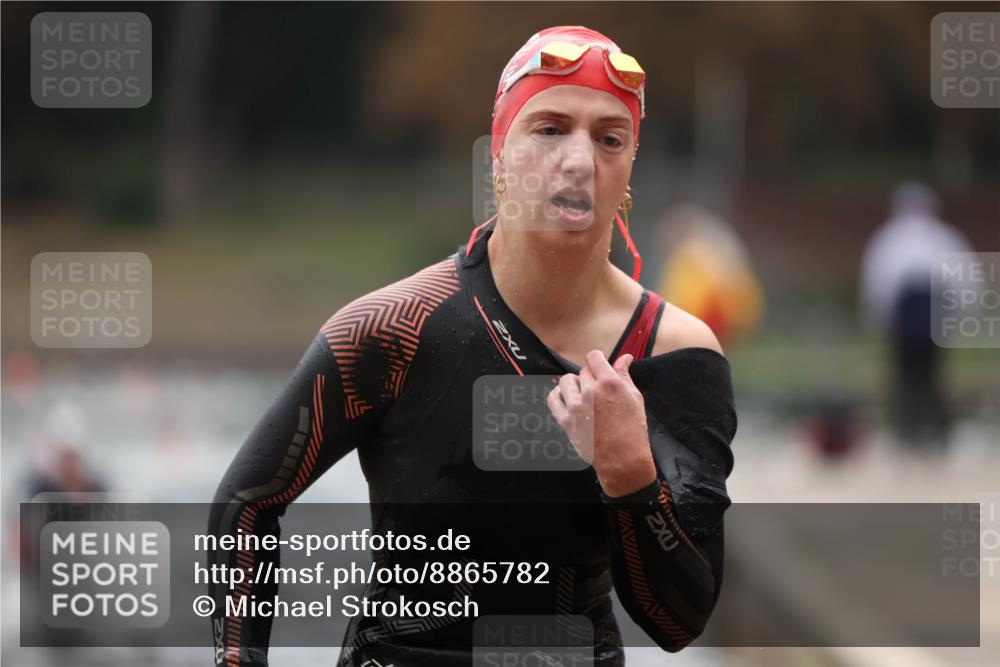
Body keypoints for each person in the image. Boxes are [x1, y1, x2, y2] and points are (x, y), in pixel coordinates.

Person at [209, 26, 737, 667]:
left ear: (628, 169)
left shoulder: (671, 352)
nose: (578, 160)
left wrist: (632, 479)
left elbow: (677, 622)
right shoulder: (395, 327)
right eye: (549, 128)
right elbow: (247, 505)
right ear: (498, 154)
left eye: (609, 138)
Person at [859, 181, 973, 451]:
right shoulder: (945, 237)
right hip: (931, 312)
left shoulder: (888, 239)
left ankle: (908, 433)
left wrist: (877, 322)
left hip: (910, 314)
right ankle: (934, 434)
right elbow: (965, 282)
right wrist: (961, 318)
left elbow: (878, 285)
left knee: (906, 376)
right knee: (931, 375)